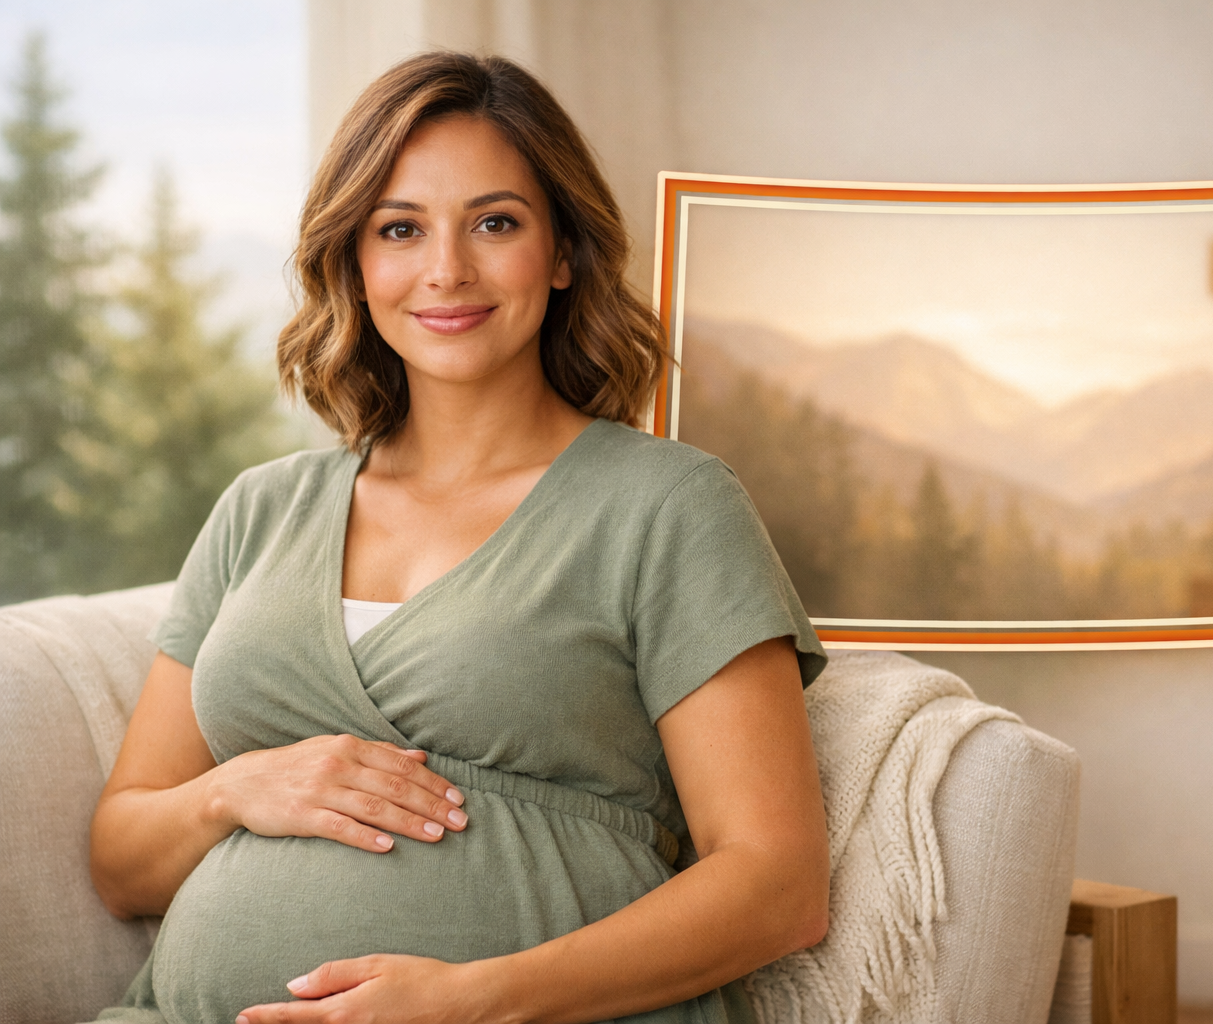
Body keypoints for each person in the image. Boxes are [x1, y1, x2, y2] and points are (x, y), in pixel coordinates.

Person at [87, 51, 830, 1024]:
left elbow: (780, 885)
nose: (447, 269)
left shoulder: (667, 505)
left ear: (562, 252)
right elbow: (121, 859)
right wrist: (237, 788)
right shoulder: (259, 510)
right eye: (400, 228)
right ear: (355, 259)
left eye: (495, 222)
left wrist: (473, 1000)